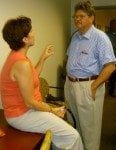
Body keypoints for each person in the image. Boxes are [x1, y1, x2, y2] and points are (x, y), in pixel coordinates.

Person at [0, 16, 84, 150]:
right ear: (25, 39)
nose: (35, 32)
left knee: (60, 134)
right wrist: (52, 110)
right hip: (22, 115)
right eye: (31, 31)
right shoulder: (21, 63)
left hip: (26, 110)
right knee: (72, 136)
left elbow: (31, 77)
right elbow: (30, 102)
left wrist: (42, 58)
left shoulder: (17, 56)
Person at [64, 1, 116, 150]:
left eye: (82, 16)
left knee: (89, 128)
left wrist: (93, 86)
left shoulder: (100, 38)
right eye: (75, 16)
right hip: (71, 85)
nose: (77, 19)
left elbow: (110, 66)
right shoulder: (75, 36)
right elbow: (69, 58)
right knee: (73, 122)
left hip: (88, 86)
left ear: (92, 18)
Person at [106, 19, 116, 97]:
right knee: (109, 74)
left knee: (115, 74)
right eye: (113, 24)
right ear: (110, 25)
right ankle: (109, 89)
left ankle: (112, 89)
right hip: (107, 58)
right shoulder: (106, 35)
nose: (115, 26)